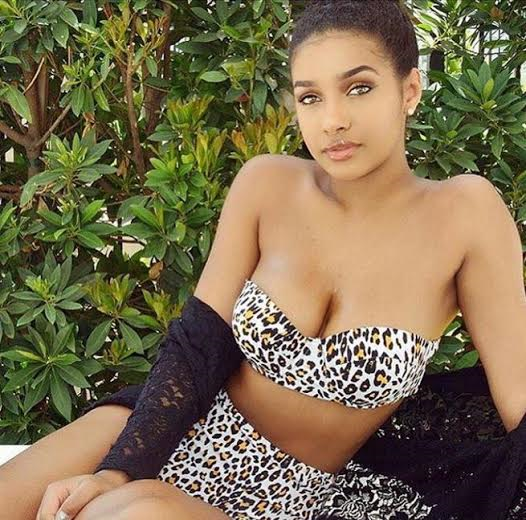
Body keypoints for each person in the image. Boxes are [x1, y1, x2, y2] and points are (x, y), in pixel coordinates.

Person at [2, 1, 525, 519]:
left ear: (409, 90)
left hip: (291, 497)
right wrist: (117, 469)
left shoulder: (463, 215)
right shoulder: (267, 184)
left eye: (358, 88)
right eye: (310, 97)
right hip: (168, 432)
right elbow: (196, 346)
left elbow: (521, 403)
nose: (333, 120)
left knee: (128, 515)